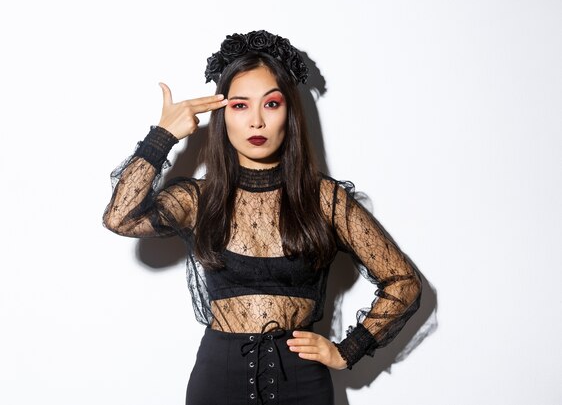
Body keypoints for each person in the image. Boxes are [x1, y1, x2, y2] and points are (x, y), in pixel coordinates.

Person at [103, 30, 422, 405]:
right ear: (223, 116)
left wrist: (348, 349)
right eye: (240, 106)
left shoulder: (325, 199)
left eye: (271, 104)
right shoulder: (200, 198)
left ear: (290, 112)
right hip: (217, 381)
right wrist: (164, 135)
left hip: (303, 384)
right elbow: (120, 218)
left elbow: (403, 281)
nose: (256, 121)